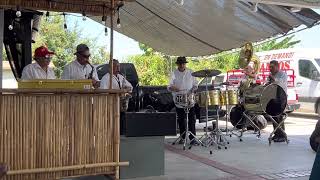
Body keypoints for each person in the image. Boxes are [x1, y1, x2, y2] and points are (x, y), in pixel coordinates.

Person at [168, 56, 198, 144]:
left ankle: (192, 138)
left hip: (189, 99)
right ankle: (182, 137)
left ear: (185, 64)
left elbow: (195, 84)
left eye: (183, 63)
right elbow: (169, 86)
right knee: (181, 119)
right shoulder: (174, 73)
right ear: (177, 64)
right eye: (180, 63)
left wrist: (192, 90)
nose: (181, 65)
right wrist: (173, 87)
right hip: (179, 100)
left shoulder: (191, 72)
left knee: (192, 119)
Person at [100, 59, 133, 135]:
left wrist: (125, 90)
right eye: (116, 67)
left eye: (119, 66)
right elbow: (103, 93)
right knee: (113, 123)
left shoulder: (120, 77)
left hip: (121, 104)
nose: (118, 69)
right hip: (111, 105)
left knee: (121, 121)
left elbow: (130, 87)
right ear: (110, 67)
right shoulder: (105, 78)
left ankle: (120, 136)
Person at [267, 60, 288, 142]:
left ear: (277, 66)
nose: (270, 68)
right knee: (273, 116)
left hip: (281, 98)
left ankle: (282, 135)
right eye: (270, 67)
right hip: (273, 98)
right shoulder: (271, 75)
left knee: (279, 116)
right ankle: (276, 134)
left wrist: (273, 79)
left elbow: (281, 84)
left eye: (272, 67)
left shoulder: (283, 74)